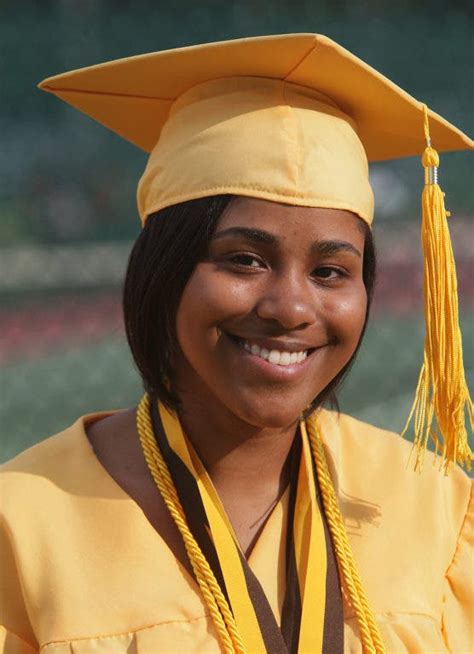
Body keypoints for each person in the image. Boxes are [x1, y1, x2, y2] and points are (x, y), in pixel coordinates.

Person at [0, 33, 472, 654]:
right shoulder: (23, 528)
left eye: (331, 271)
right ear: (163, 272)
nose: (292, 308)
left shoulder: (435, 511)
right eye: (244, 260)